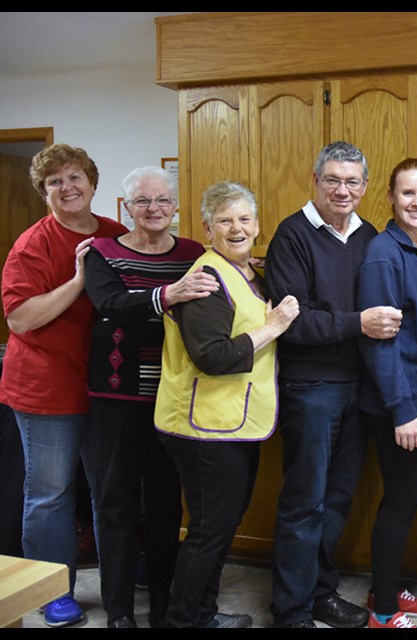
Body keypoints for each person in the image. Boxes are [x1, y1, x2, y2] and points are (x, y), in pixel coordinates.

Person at [266, 141, 405, 629]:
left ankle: (321, 594)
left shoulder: (371, 235)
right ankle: (292, 611)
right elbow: (293, 323)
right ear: (315, 180)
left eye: (352, 182)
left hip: (357, 388)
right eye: (333, 180)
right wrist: (357, 324)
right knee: (305, 502)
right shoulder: (292, 235)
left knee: (337, 499)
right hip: (312, 389)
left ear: (366, 187)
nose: (342, 190)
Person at [155, 181, 299, 628]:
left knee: (219, 528)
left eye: (244, 219)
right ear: (206, 228)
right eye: (224, 220)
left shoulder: (246, 271)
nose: (236, 228)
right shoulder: (205, 279)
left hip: (234, 425)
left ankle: (204, 616)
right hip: (202, 430)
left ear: (257, 225)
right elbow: (211, 356)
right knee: (208, 532)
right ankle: (183, 622)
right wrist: (273, 326)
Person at [83, 166, 218, 628]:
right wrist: (169, 296)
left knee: (165, 504)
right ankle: (119, 610)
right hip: (117, 398)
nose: (154, 209)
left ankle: (163, 603)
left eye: (162, 200)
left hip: (175, 395)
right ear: (128, 208)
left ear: (175, 206)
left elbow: (210, 304)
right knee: (115, 502)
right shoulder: (102, 254)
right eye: (143, 201)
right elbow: (110, 307)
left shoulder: (195, 253)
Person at [0, 143, 128, 627]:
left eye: (75, 178)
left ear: (93, 184)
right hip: (45, 388)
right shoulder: (33, 244)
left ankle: (115, 579)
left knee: (107, 488)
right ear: (43, 193)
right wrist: (79, 279)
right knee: (50, 493)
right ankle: (54, 591)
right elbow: (20, 318)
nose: (67, 188)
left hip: (105, 386)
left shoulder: (116, 234)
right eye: (55, 182)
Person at [356, 157, 417, 628]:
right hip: (399, 399)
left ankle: (385, 587)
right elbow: (379, 342)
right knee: (400, 500)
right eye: (408, 193)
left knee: (407, 498)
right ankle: (385, 612)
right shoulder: (383, 253)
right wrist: (401, 409)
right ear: (391, 197)